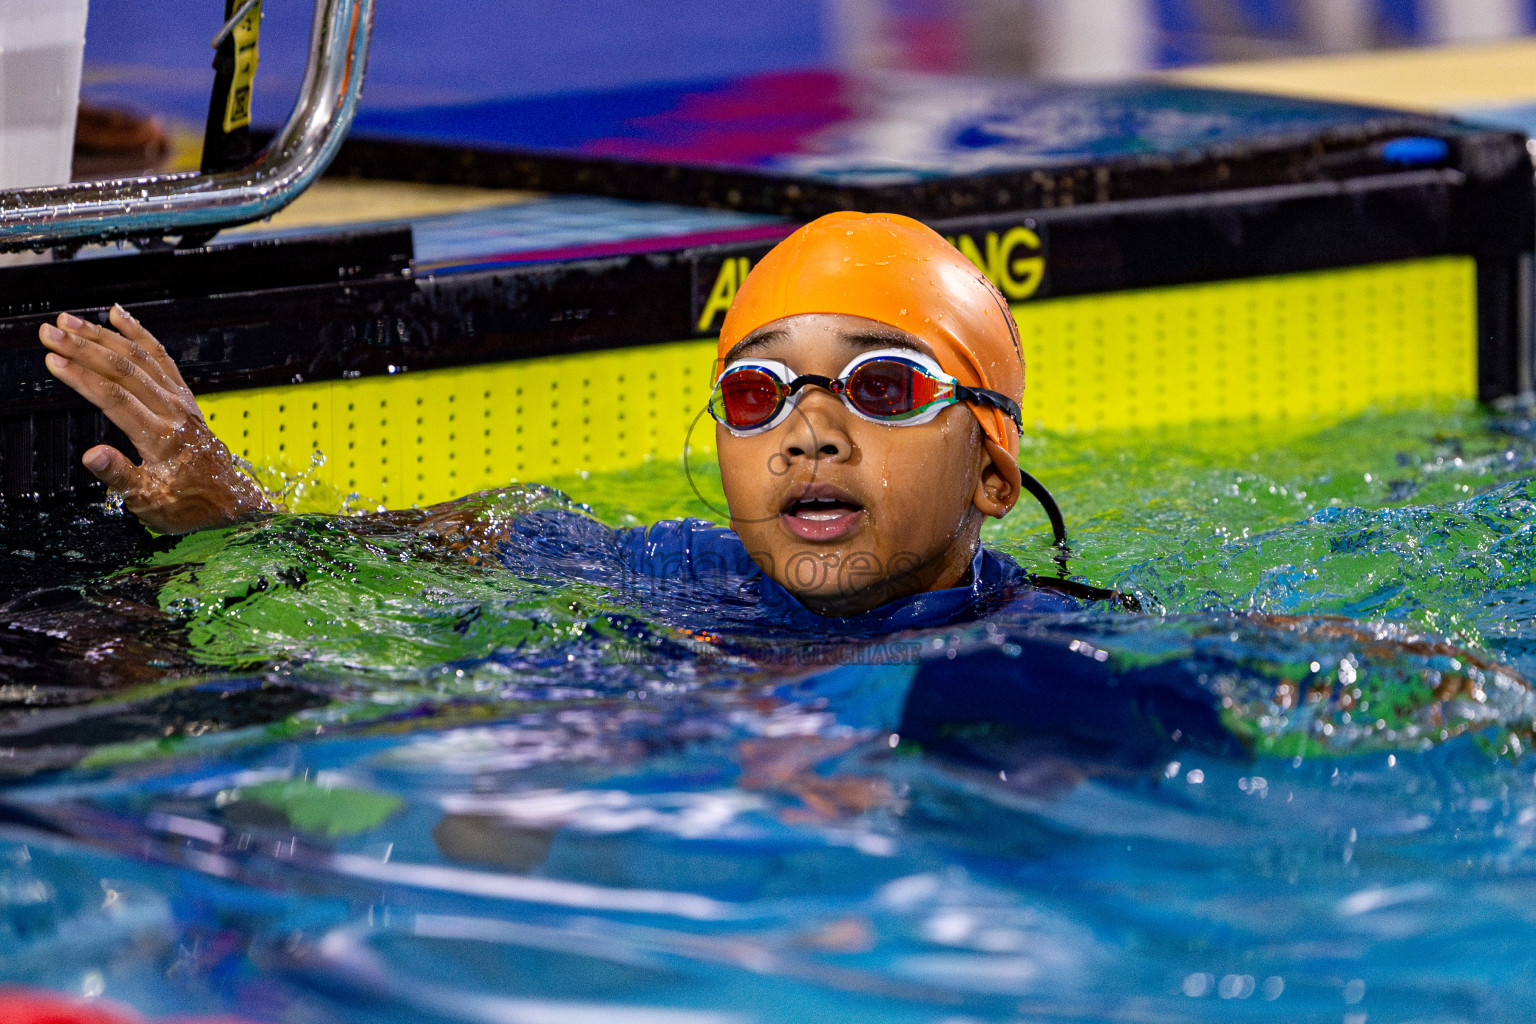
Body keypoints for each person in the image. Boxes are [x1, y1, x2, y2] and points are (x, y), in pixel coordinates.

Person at [38, 212, 1077, 629]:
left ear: (993, 473)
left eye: (881, 387)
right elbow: (473, 536)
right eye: (758, 394)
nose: (808, 433)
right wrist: (244, 515)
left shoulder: (1053, 647)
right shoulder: (674, 574)